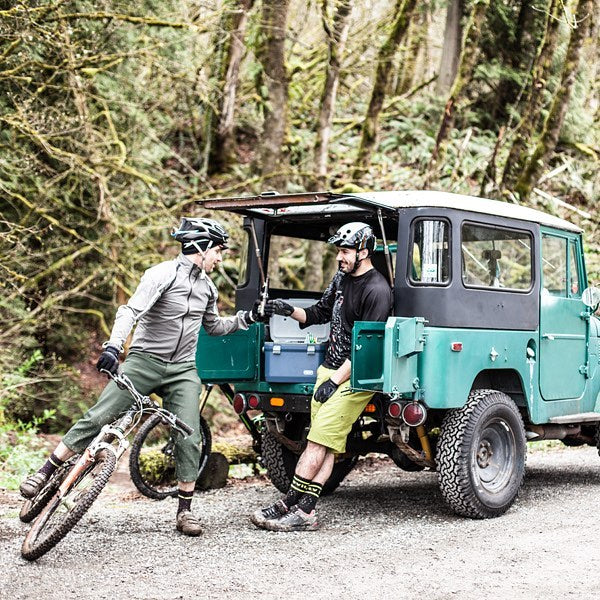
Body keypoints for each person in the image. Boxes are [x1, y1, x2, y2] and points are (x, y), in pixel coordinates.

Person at [20, 217, 270, 536]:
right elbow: (130, 312)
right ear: (202, 247)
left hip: (182, 369)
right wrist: (113, 347)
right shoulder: (162, 274)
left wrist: (247, 318)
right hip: (145, 360)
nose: (221, 258)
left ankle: (185, 510)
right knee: (101, 414)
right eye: (219, 250)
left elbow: (214, 327)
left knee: (189, 435)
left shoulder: (207, 288)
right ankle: (47, 470)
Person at [251, 222, 393, 531]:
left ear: (364, 252)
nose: (340, 257)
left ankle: (290, 503)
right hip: (328, 369)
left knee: (315, 443)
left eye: (344, 251)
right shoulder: (341, 280)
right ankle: (306, 511)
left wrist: (334, 381)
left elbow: (367, 349)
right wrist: (286, 310)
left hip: (353, 378)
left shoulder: (377, 290)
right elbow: (318, 314)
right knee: (327, 444)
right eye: (339, 251)